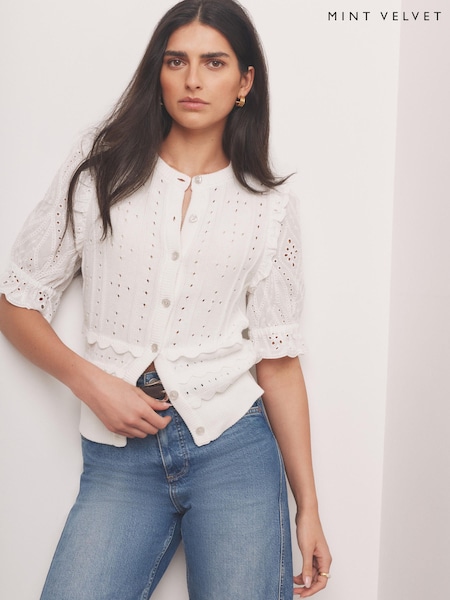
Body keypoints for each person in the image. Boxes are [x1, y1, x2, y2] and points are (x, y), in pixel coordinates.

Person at [0, 0, 331, 598]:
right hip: (119, 456)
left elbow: (279, 362)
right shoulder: (99, 171)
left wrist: (308, 507)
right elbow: (16, 301)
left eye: (214, 63)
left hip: (235, 450)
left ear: (245, 82)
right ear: (158, 71)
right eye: (177, 61)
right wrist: (92, 383)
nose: (193, 79)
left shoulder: (270, 207)